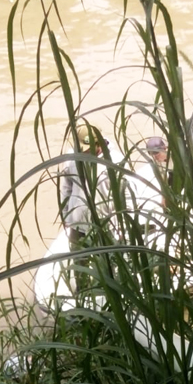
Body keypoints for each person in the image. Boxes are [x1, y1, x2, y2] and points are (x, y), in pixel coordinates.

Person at [59, 123, 112, 293]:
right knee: (80, 266)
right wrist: (66, 216)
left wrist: (119, 224)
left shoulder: (113, 162)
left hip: (104, 226)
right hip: (78, 224)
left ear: (99, 145)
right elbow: (66, 188)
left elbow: (124, 197)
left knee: (107, 266)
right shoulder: (71, 159)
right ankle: (83, 294)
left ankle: (108, 297)